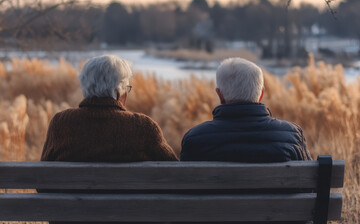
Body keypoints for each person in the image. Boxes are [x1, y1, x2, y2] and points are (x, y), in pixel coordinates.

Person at [41, 54, 178, 163]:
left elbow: (42, 181)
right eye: (127, 89)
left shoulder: (61, 123)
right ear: (119, 92)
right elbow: (175, 175)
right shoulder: (144, 127)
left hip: (69, 199)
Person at [180, 57, 311, 162]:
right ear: (261, 95)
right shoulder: (292, 136)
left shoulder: (194, 139)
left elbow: (183, 190)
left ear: (220, 95)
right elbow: (309, 185)